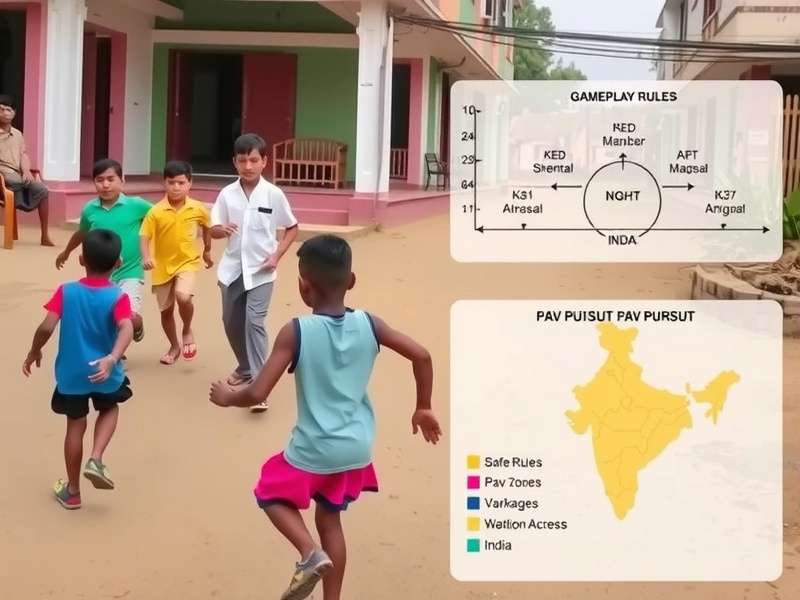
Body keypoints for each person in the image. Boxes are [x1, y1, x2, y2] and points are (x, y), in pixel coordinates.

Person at [209, 235, 442, 600]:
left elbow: (257, 393)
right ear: (351, 281)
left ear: (303, 287)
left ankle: (308, 553)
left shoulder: (297, 331)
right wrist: (423, 406)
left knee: (270, 491)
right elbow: (423, 356)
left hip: (315, 448)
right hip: (355, 448)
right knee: (329, 519)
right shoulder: (370, 324)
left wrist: (227, 398)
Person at [23, 229, 134, 510]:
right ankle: (96, 457)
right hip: (105, 372)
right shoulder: (118, 297)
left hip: (72, 375)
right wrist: (112, 357)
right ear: (118, 262)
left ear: (82, 259)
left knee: (75, 424)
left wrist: (35, 351)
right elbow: (127, 327)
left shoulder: (66, 291)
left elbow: (47, 326)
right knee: (109, 408)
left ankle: (73, 492)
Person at [210, 133, 299, 412]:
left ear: (264, 162)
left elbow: (292, 227)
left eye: (253, 160)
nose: (248, 166)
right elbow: (212, 229)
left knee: (254, 322)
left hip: (262, 270)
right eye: (242, 160)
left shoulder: (274, 194)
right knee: (230, 321)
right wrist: (218, 230)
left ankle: (259, 388)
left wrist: (277, 255)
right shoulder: (226, 194)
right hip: (233, 270)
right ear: (234, 162)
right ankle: (246, 366)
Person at [56, 159, 151, 344]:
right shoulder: (89, 209)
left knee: (129, 316)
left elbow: (160, 219)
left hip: (131, 272)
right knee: (108, 315)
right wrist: (66, 251)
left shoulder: (137, 205)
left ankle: (137, 326)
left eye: (110, 179)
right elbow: (82, 234)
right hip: (101, 274)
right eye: (100, 180)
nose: (105, 185)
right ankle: (114, 352)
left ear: (122, 180)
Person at [140, 160, 213, 365]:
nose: (176, 187)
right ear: (164, 183)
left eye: (181, 182)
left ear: (190, 183)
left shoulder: (197, 208)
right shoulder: (155, 212)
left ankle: (187, 329)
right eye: (171, 182)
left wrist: (207, 250)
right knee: (166, 311)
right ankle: (174, 346)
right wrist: (146, 257)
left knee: (183, 296)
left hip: (187, 263)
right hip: (161, 267)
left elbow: (207, 227)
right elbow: (144, 236)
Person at [0, 94, 52, 246]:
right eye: (0, 109)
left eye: (7, 109)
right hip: (3, 177)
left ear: (14, 113)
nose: (4, 112)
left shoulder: (17, 134)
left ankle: (45, 235)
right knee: (14, 180)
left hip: (18, 176)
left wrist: (27, 171)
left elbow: (23, 155)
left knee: (41, 189)